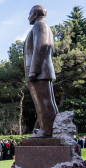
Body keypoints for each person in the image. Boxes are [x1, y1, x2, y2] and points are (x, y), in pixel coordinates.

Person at [25, 5, 59, 138]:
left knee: (44, 102)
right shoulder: (41, 26)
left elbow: (41, 47)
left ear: (35, 14)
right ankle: (48, 129)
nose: (28, 17)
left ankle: (47, 130)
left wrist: (34, 70)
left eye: (29, 14)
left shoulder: (40, 26)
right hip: (40, 70)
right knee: (42, 101)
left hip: (39, 71)